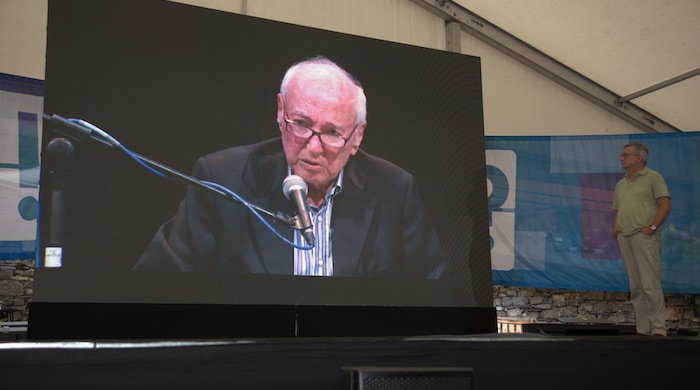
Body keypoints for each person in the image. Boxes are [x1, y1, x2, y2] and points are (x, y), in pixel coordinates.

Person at [134, 56, 444, 278]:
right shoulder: (222, 178)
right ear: (281, 112)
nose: (312, 147)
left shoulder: (394, 189)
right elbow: (157, 285)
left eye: (332, 133)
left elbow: (433, 296)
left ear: (357, 135)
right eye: (300, 124)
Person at [612, 141, 671, 336]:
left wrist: (652, 228)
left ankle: (659, 330)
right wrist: (616, 229)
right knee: (636, 286)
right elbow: (619, 209)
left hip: (644, 237)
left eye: (625, 155)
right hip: (625, 236)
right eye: (622, 155)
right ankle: (643, 329)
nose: (622, 158)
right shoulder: (621, 183)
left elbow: (665, 205)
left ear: (639, 158)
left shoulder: (653, 177)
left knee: (650, 284)